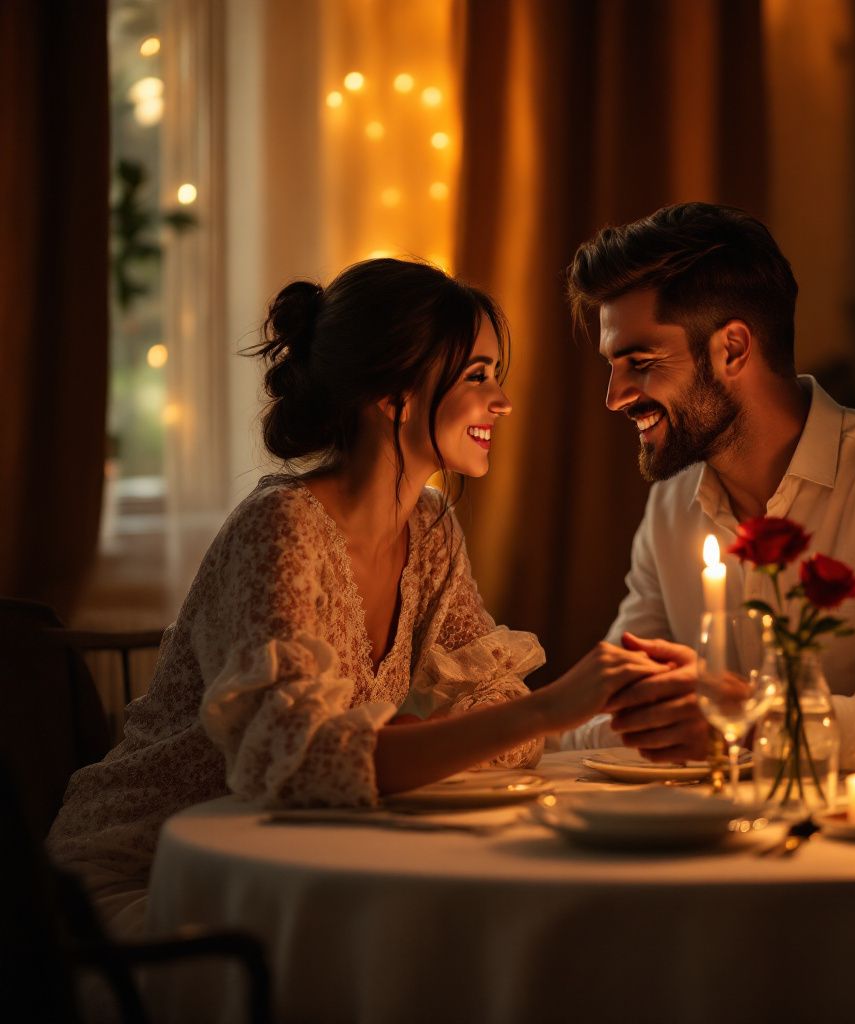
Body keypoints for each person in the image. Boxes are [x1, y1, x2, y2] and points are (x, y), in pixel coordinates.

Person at [47, 258, 665, 936]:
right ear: (393, 395)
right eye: (478, 375)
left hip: (292, 863)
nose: (503, 401)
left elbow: (496, 709)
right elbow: (298, 767)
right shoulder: (281, 528)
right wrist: (553, 708)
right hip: (153, 880)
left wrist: (399, 742)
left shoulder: (430, 528)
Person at [560, 202, 855, 769]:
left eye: (641, 361)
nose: (615, 396)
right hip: (711, 843)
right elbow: (617, 710)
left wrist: (758, 724)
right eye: (612, 366)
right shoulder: (671, 508)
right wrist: (483, 742)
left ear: (732, 348)